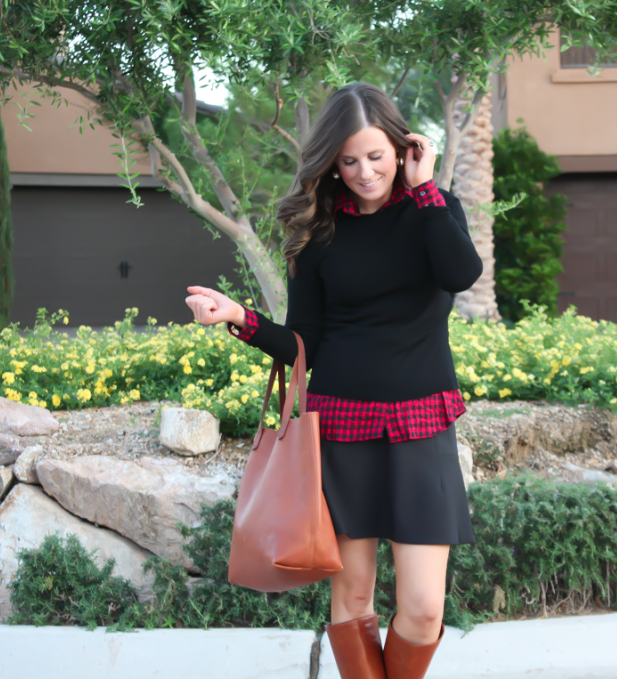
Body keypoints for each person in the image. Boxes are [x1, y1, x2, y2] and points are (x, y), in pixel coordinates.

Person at [185, 81, 482, 679]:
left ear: (403, 148)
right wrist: (241, 319)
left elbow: (460, 273)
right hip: (343, 427)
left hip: (421, 421)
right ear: (331, 162)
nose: (364, 172)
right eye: (348, 160)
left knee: (424, 609)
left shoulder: (435, 209)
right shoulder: (319, 231)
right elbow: (306, 344)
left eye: (376, 156)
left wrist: (424, 191)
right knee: (353, 600)